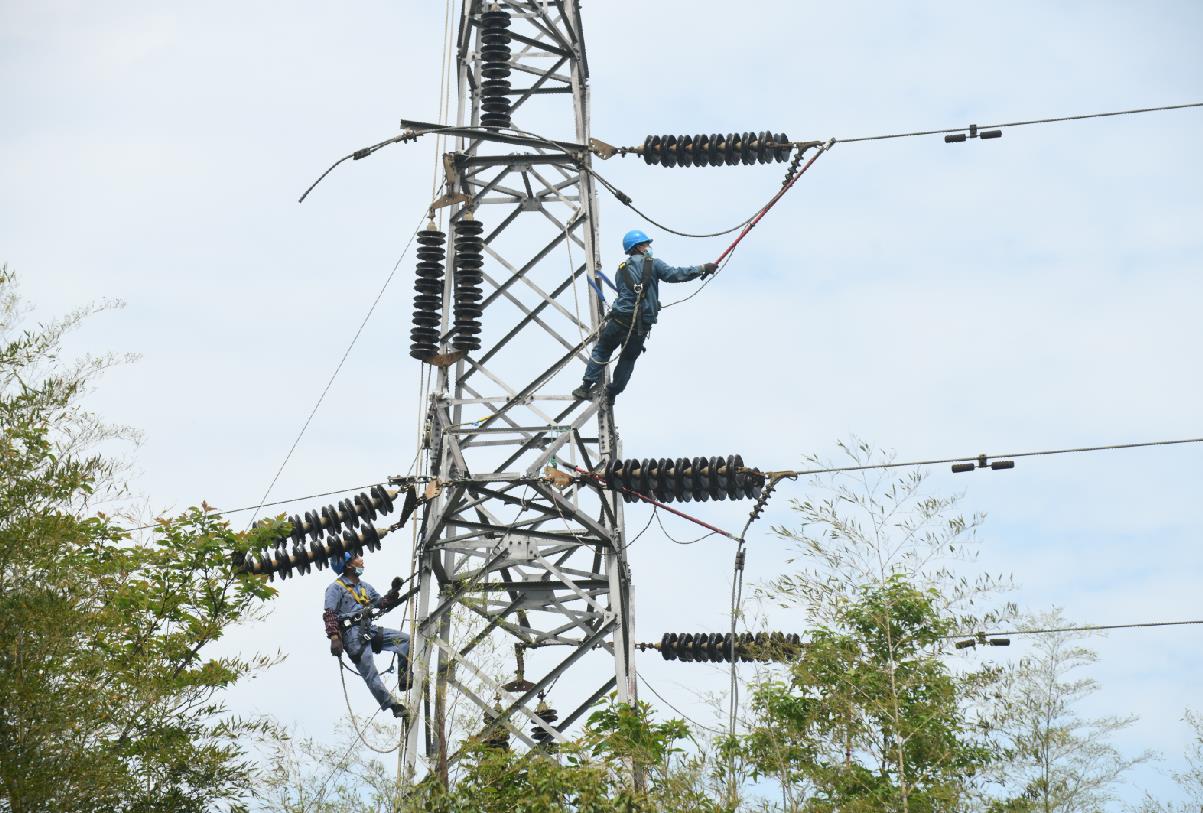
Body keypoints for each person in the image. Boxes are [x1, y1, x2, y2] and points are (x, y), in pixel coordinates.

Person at [572, 229, 717, 401]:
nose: (649, 247)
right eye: (646, 244)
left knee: (602, 350)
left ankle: (585, 386)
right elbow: (675, 274)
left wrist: (652, 303)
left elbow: (628, 295)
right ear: (640, 247)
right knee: (627, 360)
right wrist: (702, 268)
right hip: (638, 327)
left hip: (618, 320)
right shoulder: (653, 264)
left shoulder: (621, 270)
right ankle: (611, 393)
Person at [322, 551, 411, 718]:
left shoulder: (365, 587)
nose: (361, 560)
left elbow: (381, 603)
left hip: (369, 629)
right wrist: (335, 637)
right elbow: (330, 614)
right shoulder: (335, 588)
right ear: (349, 565)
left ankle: (404, 677)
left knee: (405, 640)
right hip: (352, 636)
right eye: (357, 558)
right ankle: (392, 705)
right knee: (370, 672)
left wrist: (393, 592)